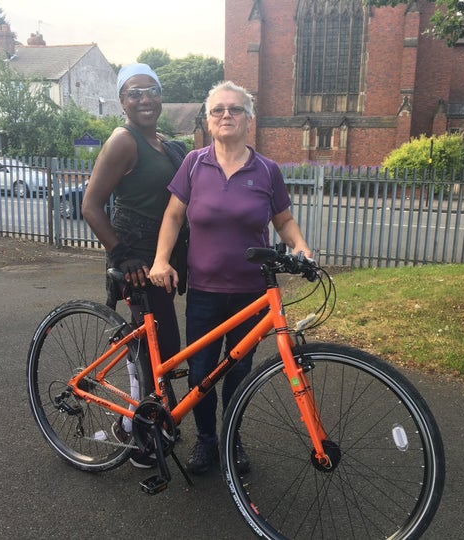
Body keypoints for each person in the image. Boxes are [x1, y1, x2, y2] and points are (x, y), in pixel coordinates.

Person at [148, 81, 312, 475]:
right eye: (218, 110)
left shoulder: (267, 170)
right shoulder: (194, 163)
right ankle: (206, 440)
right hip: (204, 292)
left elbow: (284, 220)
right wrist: (160, 261)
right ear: (208, 119)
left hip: (251, 294)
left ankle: (231, 439)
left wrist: (301, 247)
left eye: (235, 110)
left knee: (238, 373)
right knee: (203, 374)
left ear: (248, 119)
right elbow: (173, 216)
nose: (226, 115)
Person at [81, 63, 186, 469]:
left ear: (161, 97)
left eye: (151, 91)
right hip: (135, 260)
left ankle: (134, 422)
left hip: (161, 259)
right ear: (122, 101)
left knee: (165, 349)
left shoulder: (165, 143)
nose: (145, 99)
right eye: (134, 93)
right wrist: (122, 255)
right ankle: (138, 435)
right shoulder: (123, 142)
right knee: (150, 349)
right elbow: (90, 206)